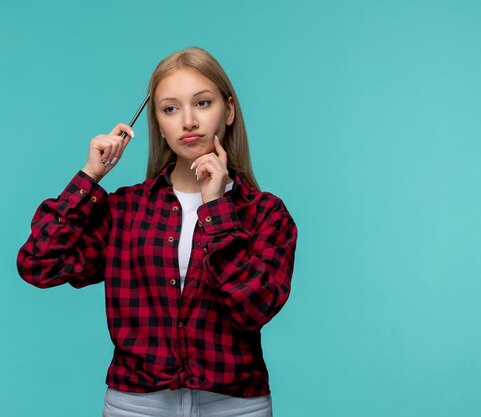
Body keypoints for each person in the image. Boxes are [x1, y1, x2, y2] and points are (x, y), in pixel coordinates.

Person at [17, 46, 298, 417]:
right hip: (137, 404)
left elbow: (253, 309)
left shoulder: (265, 213)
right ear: (158, 123)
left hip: (235, 405)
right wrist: (89, 177)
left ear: (228, 111)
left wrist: (216, 209)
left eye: (202, 103)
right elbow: (39, 263)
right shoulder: (127, 209)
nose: (188, 121)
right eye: (170, 108)